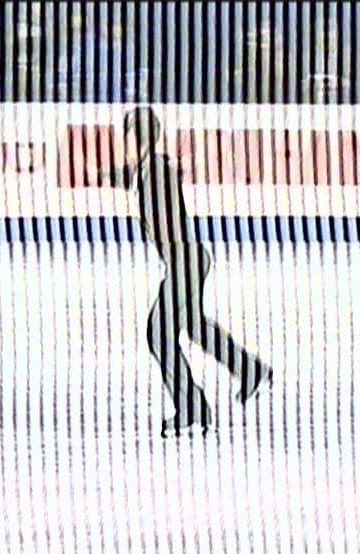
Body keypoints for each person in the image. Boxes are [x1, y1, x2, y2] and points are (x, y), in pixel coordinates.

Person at [96, 106, 272, 437]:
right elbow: (138, 179)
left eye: (127, 136)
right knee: (193, 326)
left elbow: (158, 187)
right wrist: (112, 176)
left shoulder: (156, 171)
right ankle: (249, 371)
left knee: (158, 333)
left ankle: (192, 406)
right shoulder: (149, 170)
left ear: (135, 137)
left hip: (184, 262)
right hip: (186, 261)